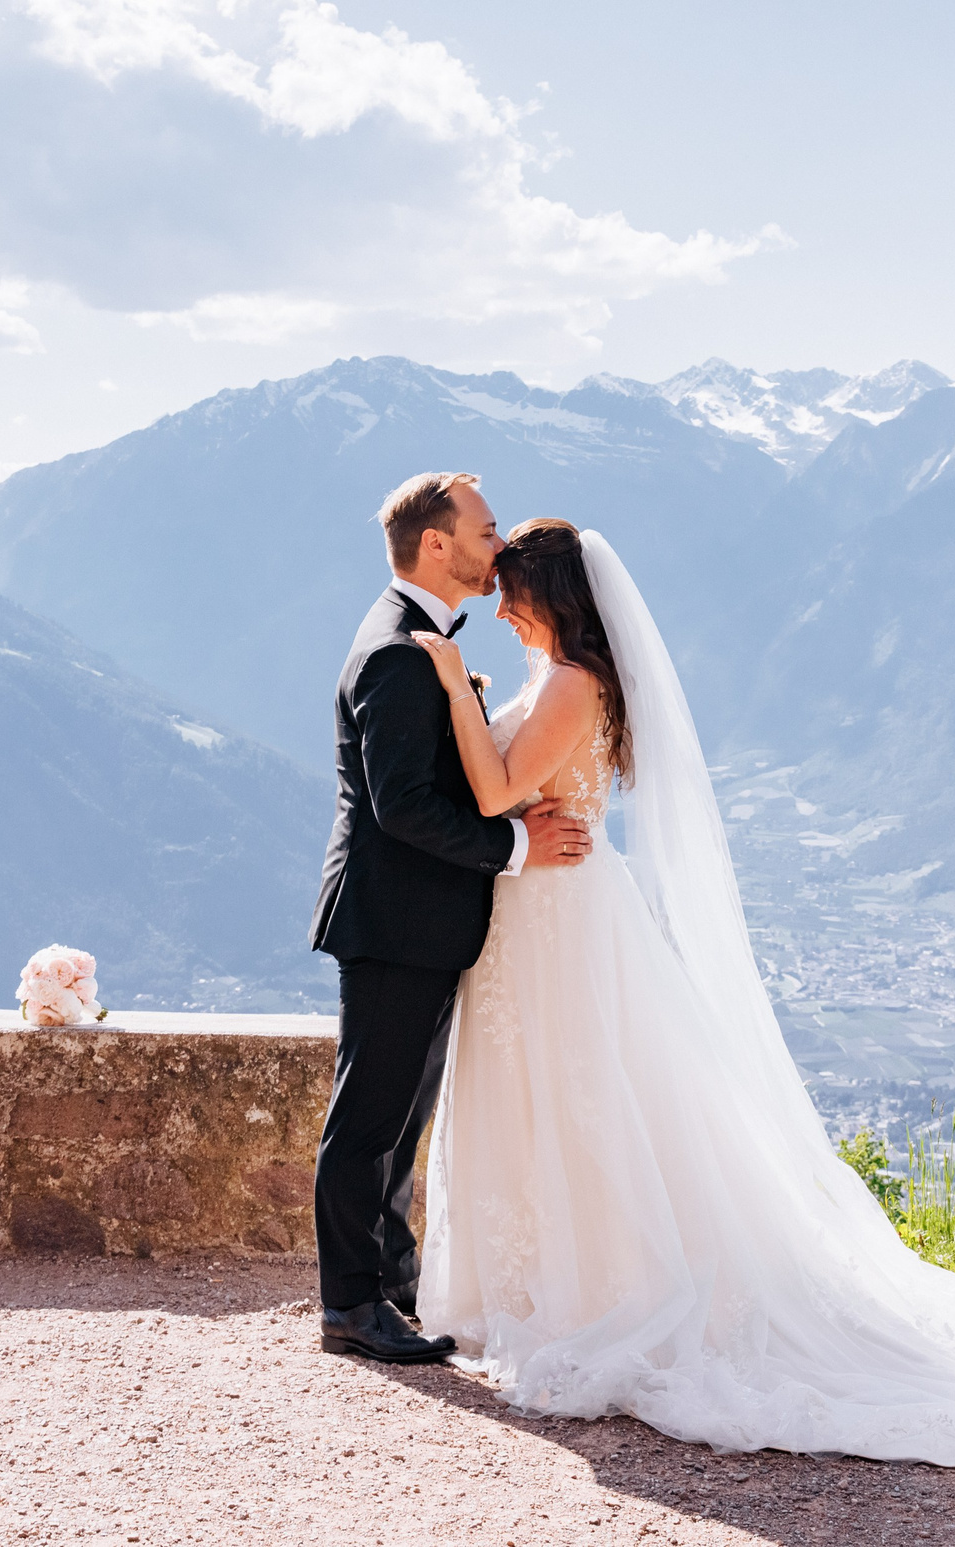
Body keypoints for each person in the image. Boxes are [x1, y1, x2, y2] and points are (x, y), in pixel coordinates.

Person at [403, 517, 955, 1462]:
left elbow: (496, 795)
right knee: (556, 1097)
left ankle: (593, 1290)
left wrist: (456, 692)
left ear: (549, 597)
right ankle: (545, 1284)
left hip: (562, 919)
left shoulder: (574, 684)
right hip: (543, 913)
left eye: (511, 591)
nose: (498, 604)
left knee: (582, 1099)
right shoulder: (561, 679)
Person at [307, 473, 593, 1364]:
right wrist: (516, 847)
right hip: (394, 920)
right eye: (486, 528)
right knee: (369, 1117)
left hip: (423, 923)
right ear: (438, 543)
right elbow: (402, 809)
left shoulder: (415, 639)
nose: (498, 545)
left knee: (400, 1116)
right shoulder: (399, 649)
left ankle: (388, 1280)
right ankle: (350, 1303)